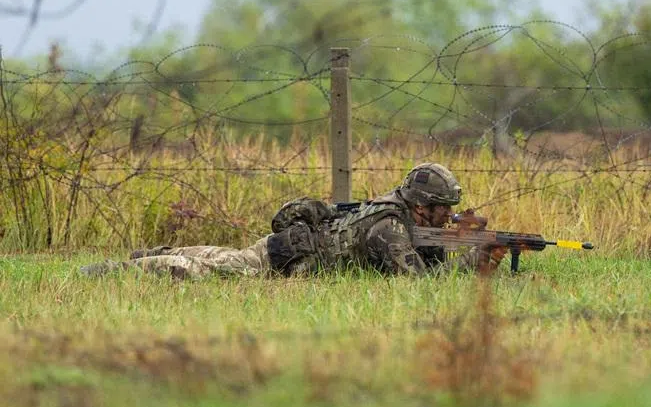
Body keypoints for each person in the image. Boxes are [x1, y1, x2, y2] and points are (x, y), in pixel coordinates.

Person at [79, 162, 507, 280]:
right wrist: (474, 257)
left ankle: (159, 253)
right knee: (207, 270)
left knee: (224, 256)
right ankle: (121, 270)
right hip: (285, 258)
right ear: (421, 206)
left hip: (294, 248)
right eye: (443, 210)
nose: (448, 216)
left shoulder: (399, 216)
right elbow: (417, 282)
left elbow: (428, 257)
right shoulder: (389, 229)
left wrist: (471, 248)